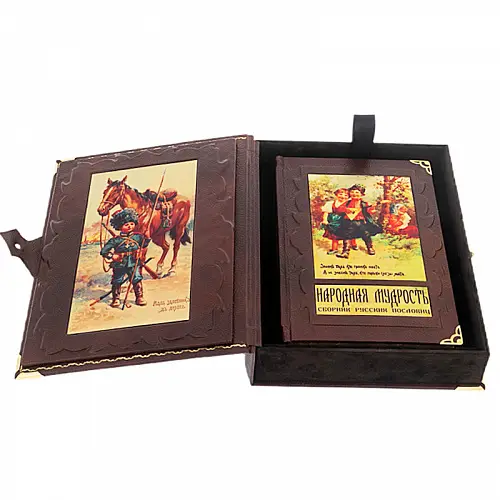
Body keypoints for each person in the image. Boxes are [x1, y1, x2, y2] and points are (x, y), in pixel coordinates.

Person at [100, 208, 151, 307]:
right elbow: (104, 251)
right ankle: (116, 299)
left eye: (131, 224)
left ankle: (139, 297)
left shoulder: (138, 237)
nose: (130, 226)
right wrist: (112, 256)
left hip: (133, 263)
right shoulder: (115, 240)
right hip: (119, 264)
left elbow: (144, 245)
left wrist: (147, 237)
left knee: (136, 279)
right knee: (117, 280)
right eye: (126, 224)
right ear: (119, 226)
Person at [335, 184, 383, 259]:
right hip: (349, 222)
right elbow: (339, 209)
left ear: (362, 194)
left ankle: (370, 248)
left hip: (361, 222)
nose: (354, 194)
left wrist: (371, 210)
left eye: (357, 192)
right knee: (346, 236)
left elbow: (368, 210)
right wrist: (347, 209)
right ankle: (345, 252)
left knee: (366, 235)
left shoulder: (364, 204)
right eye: (352, 192)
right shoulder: (347, 203)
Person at [321, 188, 358, 254]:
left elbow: (354, 213)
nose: (343, 196)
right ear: (336, 194)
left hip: (346, 221)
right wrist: (325, 220)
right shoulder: (331, 203)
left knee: (350, 234)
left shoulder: (350, 204)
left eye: (346, 195)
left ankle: (354, 245)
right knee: (335, 235)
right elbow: (326, 213)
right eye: (340, 194)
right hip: (335, 222)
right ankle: (334, 249)